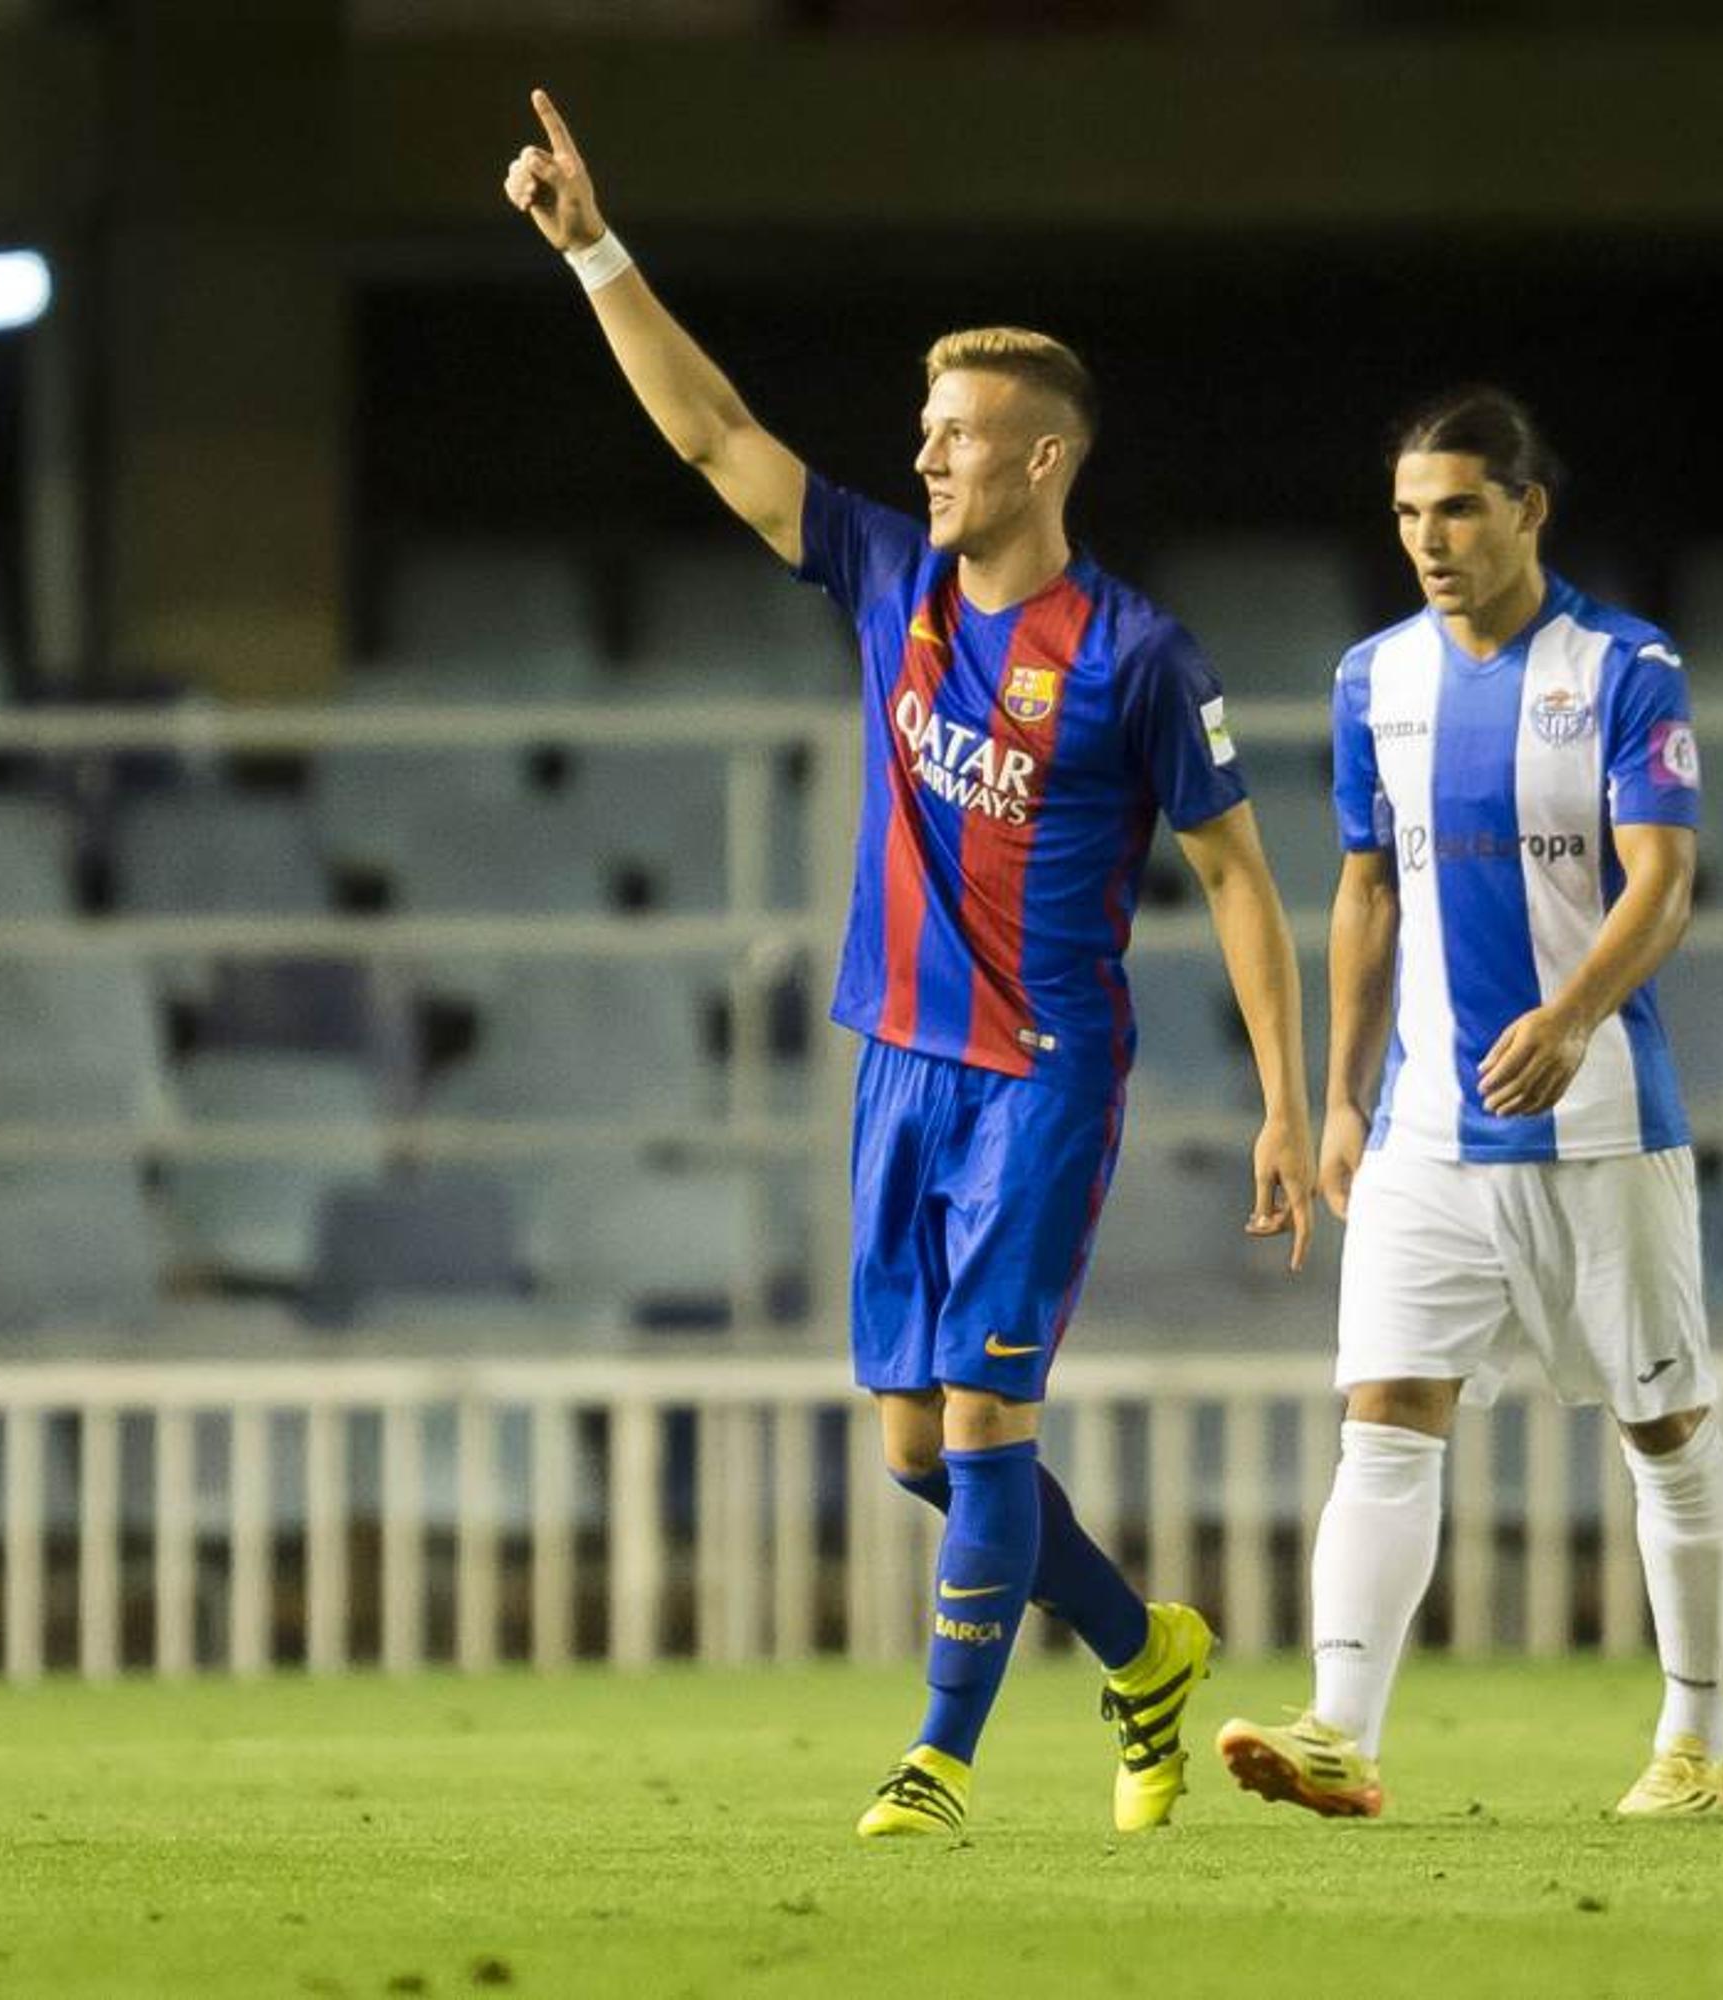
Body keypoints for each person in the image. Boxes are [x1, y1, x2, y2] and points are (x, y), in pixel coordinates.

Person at [503, 89, 1319, 1839]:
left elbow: (1242, 879)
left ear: (1039, 458)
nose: (926, 455)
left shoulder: (1136, 655)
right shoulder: (891, 580)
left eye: (956, 434)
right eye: (924, 429)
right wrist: (594, 254)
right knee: (914, 1456)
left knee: (986, 1427)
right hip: (896, 1062)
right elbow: (717, 437)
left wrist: (1284, 1101)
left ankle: (937, 1758)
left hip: (1042, 1074)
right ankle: (1140, 1646)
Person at [1213, 387, 1723, 1820]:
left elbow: (1665, 880)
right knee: (1383, 1420)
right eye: (1406, 514)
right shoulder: (1370, 678)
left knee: (1668, 1431)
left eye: (1456, 508)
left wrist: (1571, 1018)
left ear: (1528, 508)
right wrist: (1338, 1097)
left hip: (1602, 1129)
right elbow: (1368, 892)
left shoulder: (1627, 666)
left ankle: (1694, 1743)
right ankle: (1338, 1729)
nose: (1429, 540)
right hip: (1426, 1134)